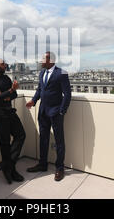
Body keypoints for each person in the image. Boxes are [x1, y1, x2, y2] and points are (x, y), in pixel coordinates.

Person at [25, 51, 71, 181]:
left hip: (56, 112)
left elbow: (67, 94)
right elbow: (40, 89)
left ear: (50, 60)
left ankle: (60, 167)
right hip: (43, 111)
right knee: (43, 139)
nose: (40, 60)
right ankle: (42, 164)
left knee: (59, 140)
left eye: (42, 58)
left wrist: (62, 110)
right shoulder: (42, 73)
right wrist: (33, 101)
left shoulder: (62, 73)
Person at [0, 58, 26, 184]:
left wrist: (6, 94)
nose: (5, 65)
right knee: (5, 142)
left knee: (21, 135)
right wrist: (9, 92)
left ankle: (7, 166)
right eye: (3, 64)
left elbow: (14, 95)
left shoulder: (7, 78)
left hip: (9, 111)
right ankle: (10, 170)